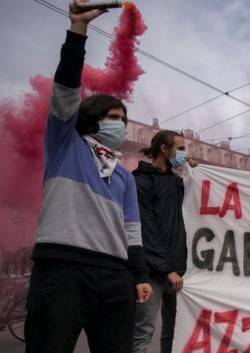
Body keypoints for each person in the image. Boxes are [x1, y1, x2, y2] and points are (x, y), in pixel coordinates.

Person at [25, 3, 153, 353]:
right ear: (92, 119)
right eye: (113, 117)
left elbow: (132, 231)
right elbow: (66, 89)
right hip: (63, 269)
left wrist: (139, 276)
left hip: (114, 276)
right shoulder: (65, 142)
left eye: (123, 119)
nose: (120, 125)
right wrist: (77, 29)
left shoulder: (124, 177)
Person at [132, 131, 193, 353]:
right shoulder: (140, 181)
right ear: (164, 149)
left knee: (174, 332)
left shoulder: (178, 183)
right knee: (142, 334)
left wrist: (197, 172)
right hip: (152, 273)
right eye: (180, 148)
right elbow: (144, 230)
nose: (184, 154)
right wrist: (167, 270)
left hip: (177, 271)